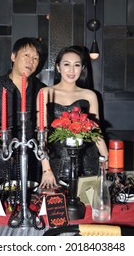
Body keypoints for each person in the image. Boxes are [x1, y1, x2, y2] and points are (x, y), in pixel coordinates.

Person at [0, 37, 47, 183]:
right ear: (13, 56)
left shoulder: (40, 89)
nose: (31, 61)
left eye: (35, 58)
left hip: (30, 159)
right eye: (26, 55)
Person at [39, 45, 109, 188]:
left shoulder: (90, 95)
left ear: (82, 68)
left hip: (87, 161)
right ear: (58, 67)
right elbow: (41, 136)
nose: (71, 70)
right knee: (57, 207)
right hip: (56, 162)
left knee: (89, 206)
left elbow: (96, 133)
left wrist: (107, 160)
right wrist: (46, 169)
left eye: (77, 65)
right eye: (66, 64)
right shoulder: (45, 93)